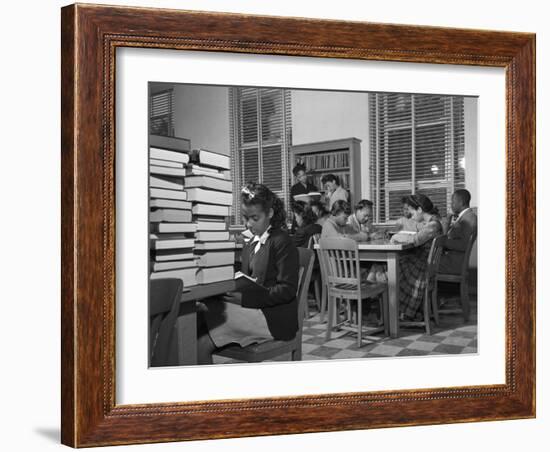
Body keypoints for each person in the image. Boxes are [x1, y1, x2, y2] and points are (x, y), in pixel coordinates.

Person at [197, 183, 299, 364]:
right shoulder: (251, 241)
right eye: (245, 218)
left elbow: (287, 290)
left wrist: (244, 299)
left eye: (254, 218)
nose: (248, 224)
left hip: (274, 318)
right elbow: (247, 278)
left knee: (200, 342)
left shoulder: (282, 241)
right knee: (195, 322)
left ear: (269, 214)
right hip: (253, 308)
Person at [390, 194, 443, 320]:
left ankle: (390, 312)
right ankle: (391, 311)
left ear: (419, 209)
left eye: (412, 211)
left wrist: (395, 237)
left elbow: (415, 239)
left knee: (387, 270)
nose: (411, 215)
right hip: (422, 263)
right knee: (384, 268)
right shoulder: (432, 222)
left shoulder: (433, 225)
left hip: (422, 267)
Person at [439, 189, 477, 274]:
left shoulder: (469, 218)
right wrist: (448, 220)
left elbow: (464, 245)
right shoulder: (464, 217)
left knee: (423, 262)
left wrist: (443, 242)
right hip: (452, 259)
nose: (451, 205)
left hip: (454, 264)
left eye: (453, 202)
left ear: (461, 202)